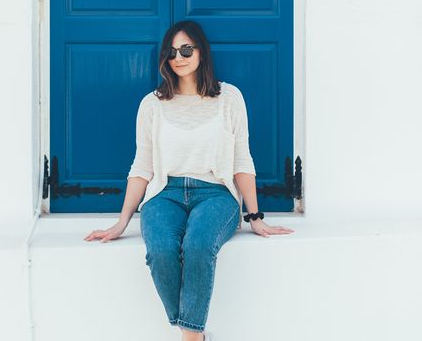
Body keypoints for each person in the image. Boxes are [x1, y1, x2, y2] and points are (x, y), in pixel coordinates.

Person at [85, 20, 294, 341]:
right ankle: (194, 330)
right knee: (162, 251)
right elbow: (142, 166)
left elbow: (242, 159)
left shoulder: (229, 98)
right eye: (171, 52)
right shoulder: (152, 103)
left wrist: (254, 216)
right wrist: (121, 223)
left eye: (186, 50)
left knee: (197, 246)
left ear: (201, 52)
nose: (178, 58)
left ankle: (190, 337)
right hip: (164, 195)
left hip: (215, 195)